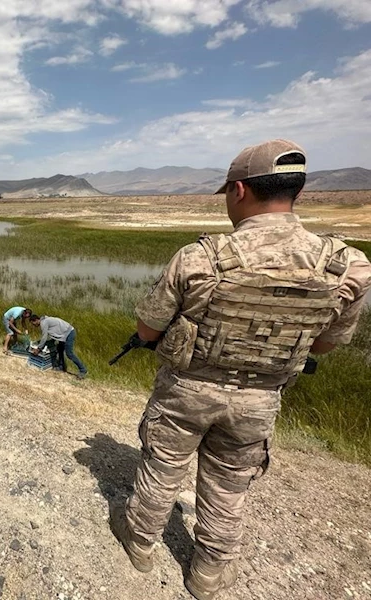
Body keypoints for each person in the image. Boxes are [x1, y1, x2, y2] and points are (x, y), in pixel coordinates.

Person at [110, 139, 371, 600]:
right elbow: (326, 345)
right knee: (229, 487)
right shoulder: (346, 265)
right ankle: (207, 574)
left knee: (163, 465)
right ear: (298, 192)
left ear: (240, 190)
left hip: (185, 392)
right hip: (260, 400)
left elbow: (148, 329)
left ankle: (140, 542)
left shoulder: (200, 257)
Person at [28, 314, 87, 379]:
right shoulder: (46, 320)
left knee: (69, 354)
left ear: (36, 320)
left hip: (69, 333)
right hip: (65, 333)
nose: (33, 325)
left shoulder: (43, 323)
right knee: (60, 349)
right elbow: (54, 330)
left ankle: (83, 370)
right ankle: (61, 367)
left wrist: (38, 349)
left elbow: (44, 337)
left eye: (33, 323)